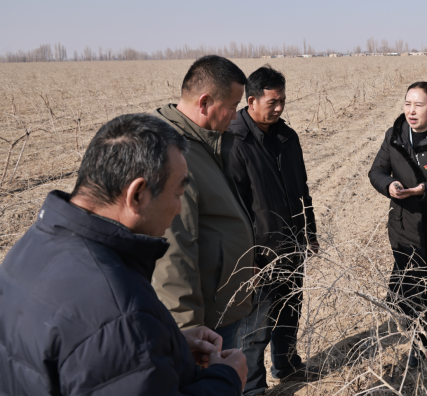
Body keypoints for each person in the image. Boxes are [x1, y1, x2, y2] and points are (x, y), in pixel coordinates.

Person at [0, 114, 247, 395]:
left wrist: (168, 343)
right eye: (178, 193)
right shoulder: (120, 310)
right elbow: (114, 337)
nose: (179, 208)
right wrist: (227, 380)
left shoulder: (32, 244)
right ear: (137, 194)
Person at [226, 66, 319, 393]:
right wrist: (247, 257)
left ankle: (287, 366)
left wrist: (309, 233)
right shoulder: (234, 142)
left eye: (283, 101)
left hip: (291, 244)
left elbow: (302, 189)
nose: (279, 108)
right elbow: (234, 208)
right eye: (272, 102)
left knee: (290, 310)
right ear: (251, 100)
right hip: (259, 254)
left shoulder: (288, 138)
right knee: (255, 327)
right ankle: (252, 387)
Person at [152, 55, 255, 347]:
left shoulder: (203, 141)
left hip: (220, 306)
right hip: (204, 324)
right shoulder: (173, 154)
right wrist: (188, 328)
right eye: (233, 106)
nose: (235, 116)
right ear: (205, 102)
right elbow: (173, 249)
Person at [368, 81, 427, 368]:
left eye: (419, 105)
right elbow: (376, 171)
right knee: (413, 286)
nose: (411, 111)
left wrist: (424, 189)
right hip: (405, 224)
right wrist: (389, 185)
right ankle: (420, 343)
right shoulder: (394, 136)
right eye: (407, 104)